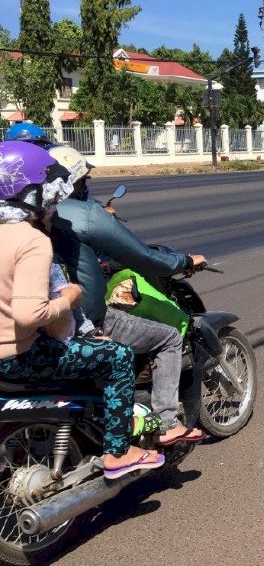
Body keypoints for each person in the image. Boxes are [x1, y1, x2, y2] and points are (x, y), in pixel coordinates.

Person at [0, 141, 164, 479]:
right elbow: (29, 315)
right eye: (47, 194)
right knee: (117, 356)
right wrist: (70, 299)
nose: (52, 204)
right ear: (28, 193)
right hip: (18, 358)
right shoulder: (30, 240)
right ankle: (118, 453)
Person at [48, 146, 206, 447]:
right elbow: (143, 257)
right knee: (168, 337)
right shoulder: (83, 214)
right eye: (85, 180)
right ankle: (167, 424)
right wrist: (184, 261)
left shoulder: (22, 218)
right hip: (80, 318)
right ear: (75, 182)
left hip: (33, 323)